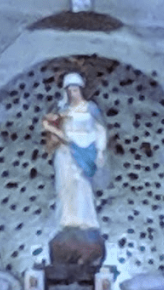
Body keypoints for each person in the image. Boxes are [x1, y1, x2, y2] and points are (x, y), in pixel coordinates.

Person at [41, 72, 108, 232]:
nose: (73, 93)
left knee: (82, 184)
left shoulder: (91, 108)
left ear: (81, 89)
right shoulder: (63, 109)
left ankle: (85, 219)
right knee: (66, 185)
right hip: (66, 151)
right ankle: (68, 218)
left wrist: (99, 151)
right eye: (70, 90)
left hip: (86, 149)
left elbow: (100, 129)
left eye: (75, 90)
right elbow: (51, 125)